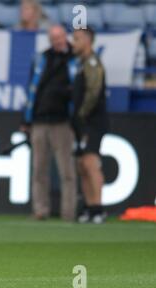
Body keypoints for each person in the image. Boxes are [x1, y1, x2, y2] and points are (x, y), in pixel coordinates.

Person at [22, 25, 78, 222]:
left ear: (66, 37)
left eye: (60, 37)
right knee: (39, 169)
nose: (58, 41)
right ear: (50, 39)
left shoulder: (75, 58)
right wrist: (26, 119)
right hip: (40, 120)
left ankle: (68, 212)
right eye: (54, 38)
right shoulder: (42, 58)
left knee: (67, 170)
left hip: (63, 122)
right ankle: (40, 210)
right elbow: (31, 90)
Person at [72, 27, 109, 224]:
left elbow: (93, 94)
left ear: (87, 41)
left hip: (91, 122)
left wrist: (81, 116)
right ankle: (89, 205)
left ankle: (98, 208)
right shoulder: (81, 64)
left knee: (90, 163)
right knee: (82, 165)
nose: (73, 43)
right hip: (81, 122)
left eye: (77, 39)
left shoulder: (93, 64)